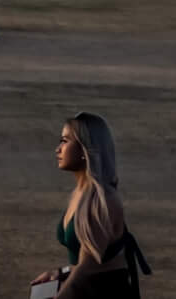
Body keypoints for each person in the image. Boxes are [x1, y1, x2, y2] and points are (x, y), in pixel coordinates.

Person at [44, 113, 146, 298]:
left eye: (65, 141)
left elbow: (89, 263)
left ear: (85, 149)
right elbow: (87, 262)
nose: (58, 149)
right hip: (86, 287)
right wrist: (60, 273)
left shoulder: (103, 199)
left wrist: (63, 294)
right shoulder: (80, 193)